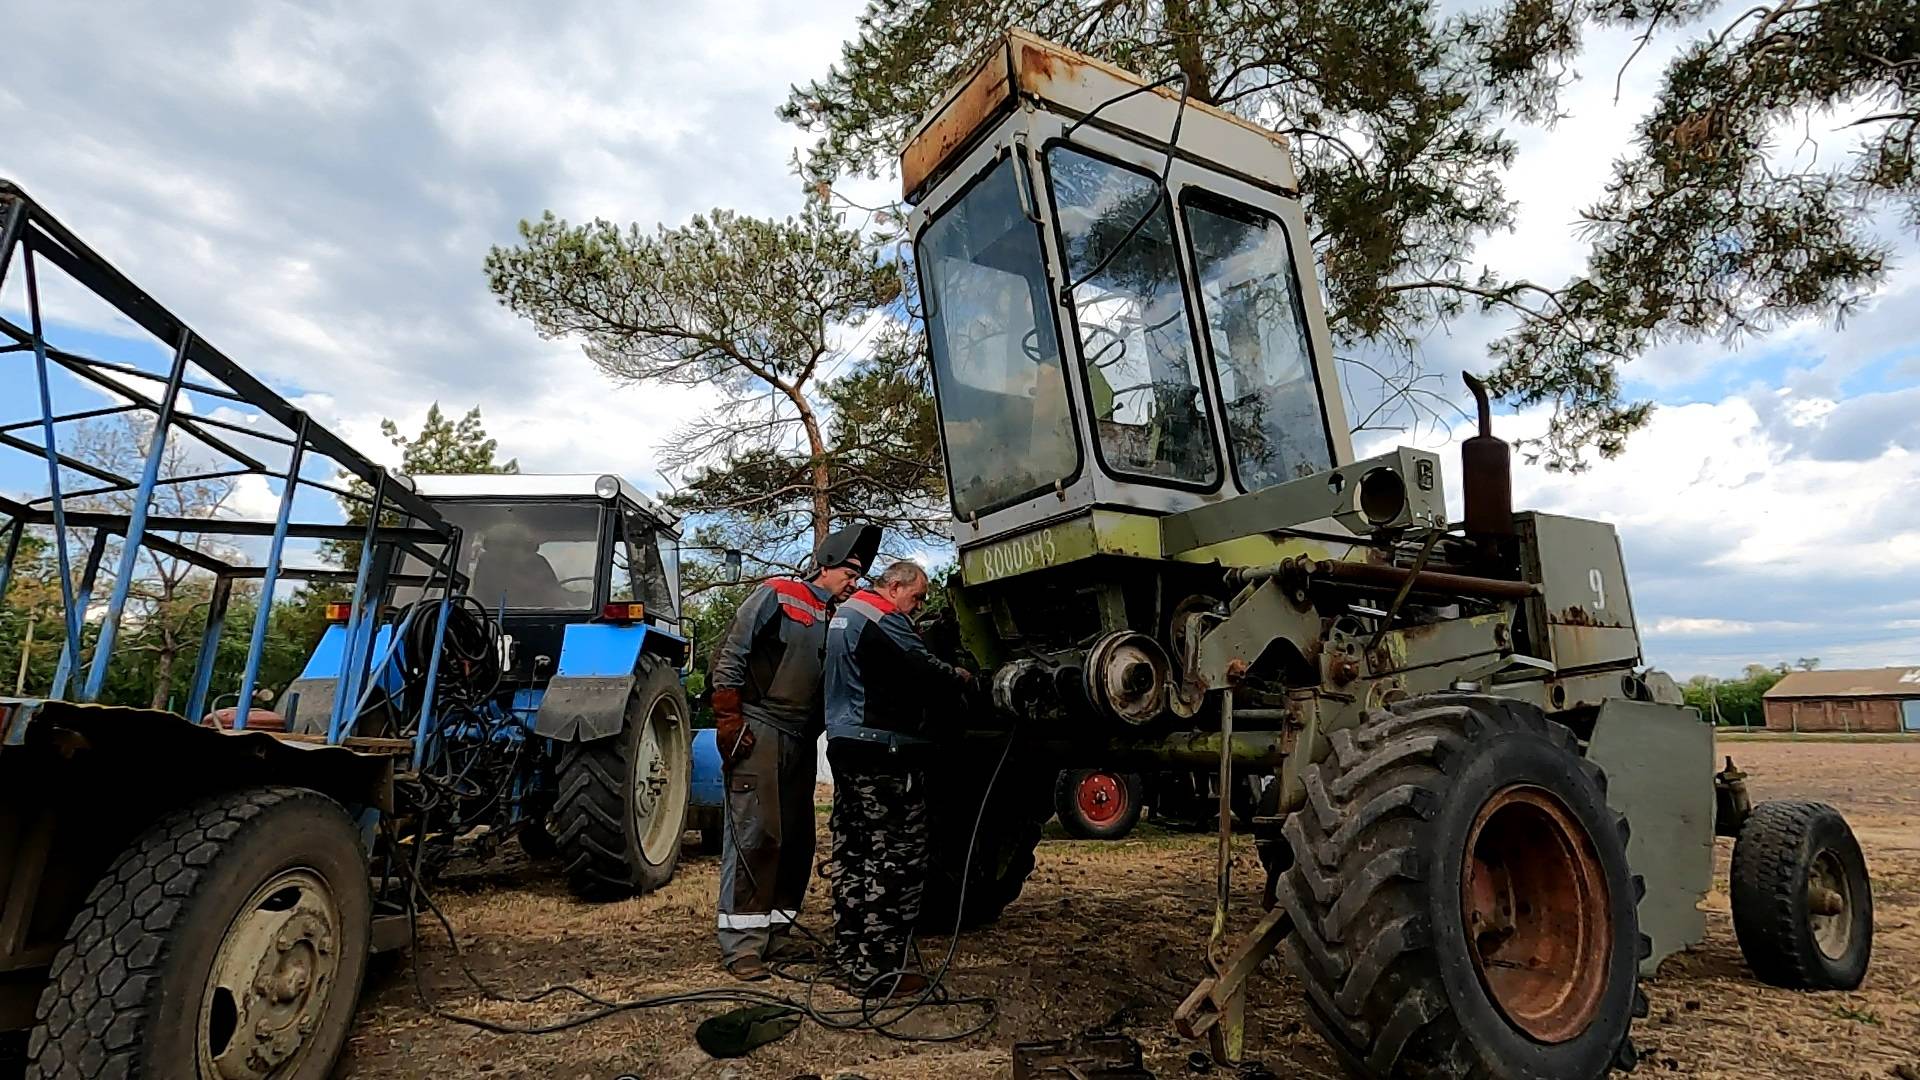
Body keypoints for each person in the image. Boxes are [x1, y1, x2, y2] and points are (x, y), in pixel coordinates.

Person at [710, 523, 881, 982]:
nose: (855, 580)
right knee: (757, 832)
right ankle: (742, 944)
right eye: (850, 570)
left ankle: (778, 933)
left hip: (803, 736)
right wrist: (729, 716)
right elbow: (733, 651)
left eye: (860, 574)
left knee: (797, 838)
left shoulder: (837, 617)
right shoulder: (777, 594)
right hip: (760, 727)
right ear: (825, 565)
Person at [822, 560, 974, 995]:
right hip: (882, 751)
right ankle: (880, 969)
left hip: (847, 746)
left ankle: (848, 956)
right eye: (917, 596)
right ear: (893, 586)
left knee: (854, 852)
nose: (918, 606)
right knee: (897, 857)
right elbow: (925, 668)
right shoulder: (882, 617)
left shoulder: (846, 614)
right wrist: (964, 677)